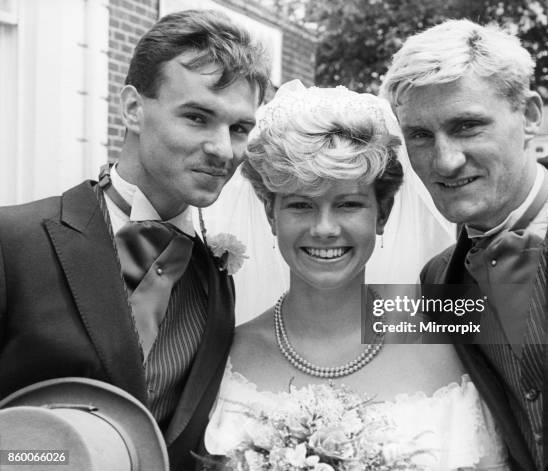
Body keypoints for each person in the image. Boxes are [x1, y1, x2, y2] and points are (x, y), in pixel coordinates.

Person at [0, 9, 268, 470]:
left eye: (239, 128)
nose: (224, 149)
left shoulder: (218, 278)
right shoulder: (13, 241)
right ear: (132, 108)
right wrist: (42, 454)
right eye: (198, 117)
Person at [202, 80, 510, 470]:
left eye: (348, 204)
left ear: (381, 215)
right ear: (270, 215)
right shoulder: (220, 355)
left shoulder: (451, 348)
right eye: (301, 205)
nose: (325, 228)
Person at [381, 18, 548, 471]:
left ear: (528, 115)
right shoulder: (436, 283)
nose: (444, 161)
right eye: (420, 136)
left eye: (467, 126)